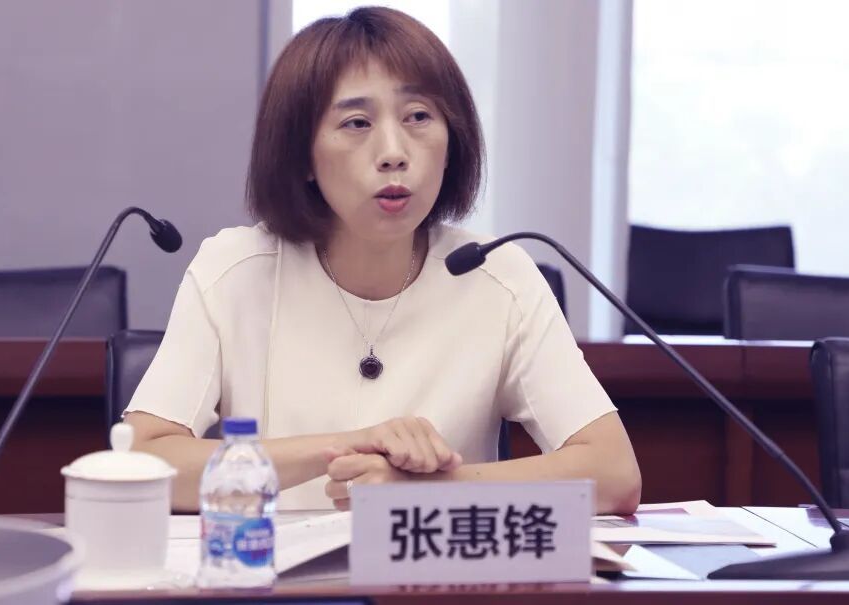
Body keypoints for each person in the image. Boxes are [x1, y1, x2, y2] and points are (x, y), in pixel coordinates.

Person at [124, 6, 641, 514]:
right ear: (302, 156)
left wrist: (432, 489)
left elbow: (615, 473)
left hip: (430, 567)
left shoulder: (498, 278)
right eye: (356, 122)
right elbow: (143, 462)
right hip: (270, 566)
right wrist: (349, 446)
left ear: (451, 142)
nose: (394, 152)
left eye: (418, 117)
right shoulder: (234, 271)